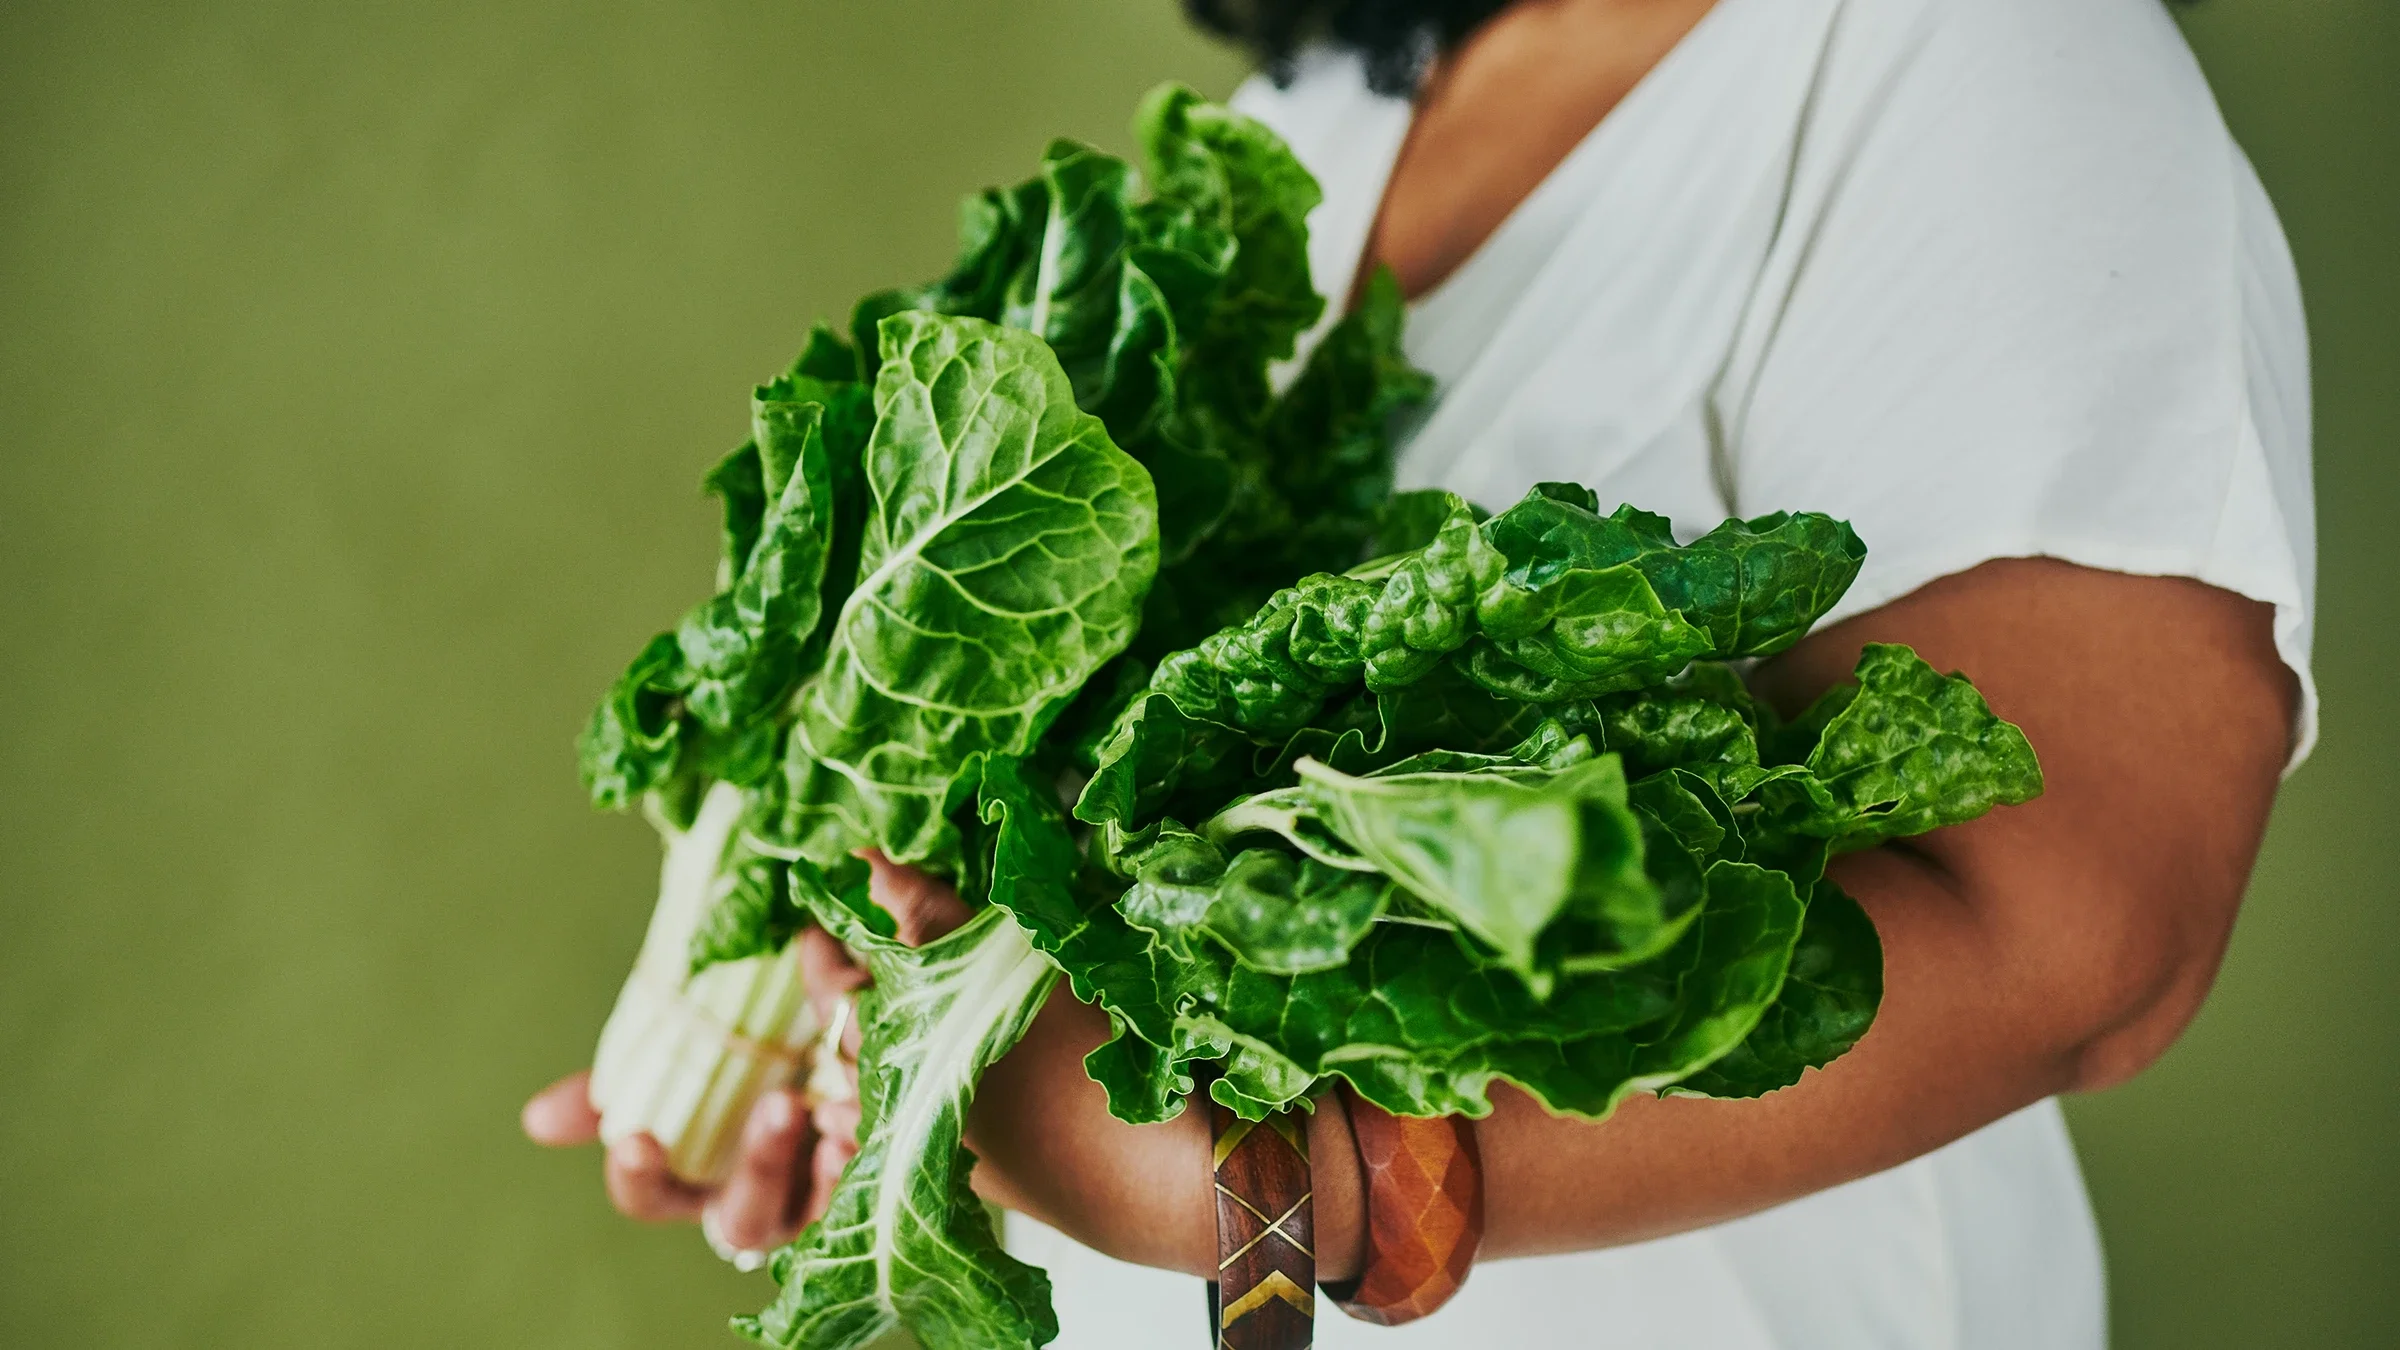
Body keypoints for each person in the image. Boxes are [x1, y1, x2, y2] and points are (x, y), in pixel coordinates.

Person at [525, 0, 2315, 1343]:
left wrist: (1217, 1184)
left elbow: (2085, 935)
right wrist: (853, 1055)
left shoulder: (1975, 54)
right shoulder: (1317, 111)